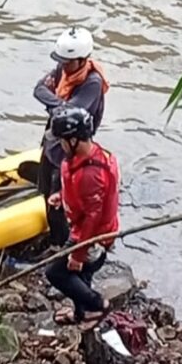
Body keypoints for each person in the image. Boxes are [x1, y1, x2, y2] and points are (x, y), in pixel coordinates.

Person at [44, 106, 120, 331]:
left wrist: (78, 253)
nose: (60, 145)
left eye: (62, 141)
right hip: (93, 229)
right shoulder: (94, 155)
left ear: (74, 140)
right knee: (81, 275)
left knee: (56, 272)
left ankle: (98, 305)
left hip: (92, 236)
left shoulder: (91, 173)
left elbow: (92, 218)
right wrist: (64, 197)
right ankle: (81, 314)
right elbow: (90, 199)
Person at [33, 27, 109, 246]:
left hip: (69, 151)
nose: (63, 66)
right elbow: (39, 89)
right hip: (52, 143)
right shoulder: (63, 70)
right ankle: (53, 233)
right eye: (62, 61)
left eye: (68, 62)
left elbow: (70, 116)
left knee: (58, 200)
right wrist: (59, 106)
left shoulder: (92, 84)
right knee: (45, 188)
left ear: (82, 59)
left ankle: (60, 242)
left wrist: (57, 107)